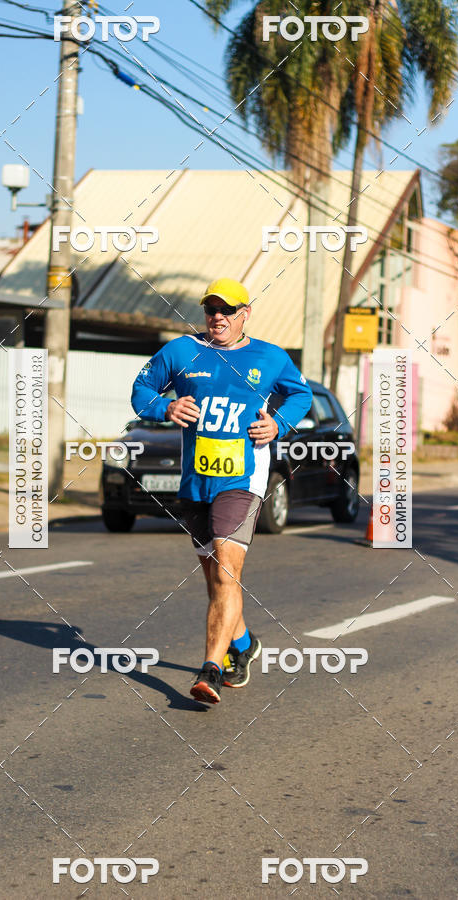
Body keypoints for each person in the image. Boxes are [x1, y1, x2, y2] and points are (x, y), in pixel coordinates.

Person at [131, 278, 313, 704]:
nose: (217, 317)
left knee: (227, 571)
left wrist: (279, 424)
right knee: (215, 577)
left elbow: (300, 395)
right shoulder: (181, 351)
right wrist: (165, 407)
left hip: (243, 480)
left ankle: (210, 670)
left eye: (227, 310)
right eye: (211, 309)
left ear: (245, 314)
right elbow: (140, 391)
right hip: (196, 481)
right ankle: (245, 644)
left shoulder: (270, 357)